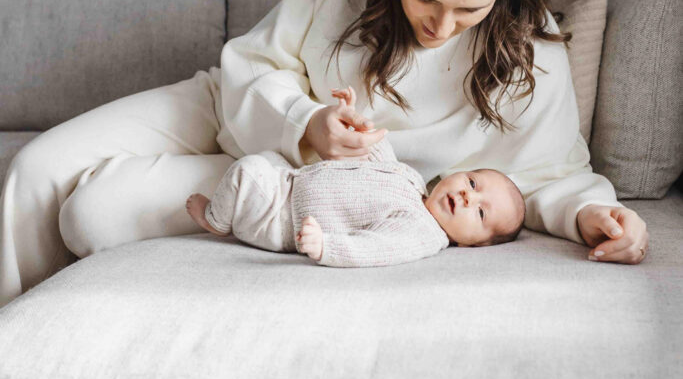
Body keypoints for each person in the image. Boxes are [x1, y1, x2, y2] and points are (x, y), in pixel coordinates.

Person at [0, 0, 648, 309]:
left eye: (467, 10)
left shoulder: (527, 48)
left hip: (299, 184)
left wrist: (592, 215)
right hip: (235, 106)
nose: (439, 25)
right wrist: (304, 123)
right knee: (33, 167)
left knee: (91, 214)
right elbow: (257, 62)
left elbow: (545, 172)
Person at [185, 86, 526, 266]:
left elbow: (375, 249)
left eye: (480, 212)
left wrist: (327, 247)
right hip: (290, 182)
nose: (468, 197)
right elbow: (373, 152)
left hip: (281, 222)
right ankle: (228, 208)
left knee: (248, 172)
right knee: (263, 160)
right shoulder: (413, 181)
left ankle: (218, 220)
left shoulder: (421, 234)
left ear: (472, 245)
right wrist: (354, 120)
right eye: (472, 182)